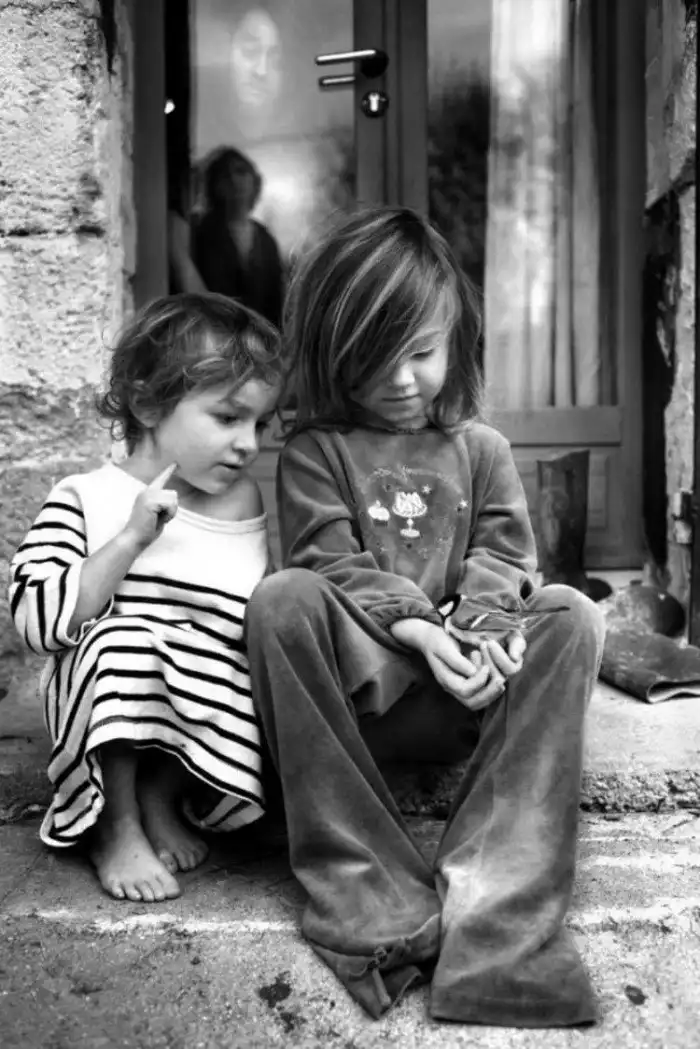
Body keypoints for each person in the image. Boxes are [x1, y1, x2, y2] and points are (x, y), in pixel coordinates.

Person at [244, 207, 605, 1027]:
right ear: (333, 351)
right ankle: (375, 896)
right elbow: (328, 562)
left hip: (472, 698)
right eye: (375, 356)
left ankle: (498, 924)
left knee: (572, 615)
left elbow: (507, 557)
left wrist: (480, 631)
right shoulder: (316, 452)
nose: (402, 378)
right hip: (365, 704)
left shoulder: (481, 449)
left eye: (421, 352)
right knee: (281, 600)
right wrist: (419, 629)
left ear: (454, 343)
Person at [8, 292, 284, 904]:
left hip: (193, 722)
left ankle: (163, 799)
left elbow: (238, 624)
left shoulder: (246, 503)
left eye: (261, 424)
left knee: (251, 654)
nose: (249, 443)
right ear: (148, 403)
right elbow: (34, 622)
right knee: (127, 640)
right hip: (109, 704)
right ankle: (115, 821)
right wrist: (130, 539)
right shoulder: (87, 497)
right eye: (228, 417)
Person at [192, 147, 284, 328]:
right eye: (225, 175)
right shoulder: (202, 233)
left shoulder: (265, 239)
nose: (234, 180)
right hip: (214, 333)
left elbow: (275, 299)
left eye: (241, 171)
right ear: (215, 184)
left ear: (254, 180)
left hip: (259, 336)